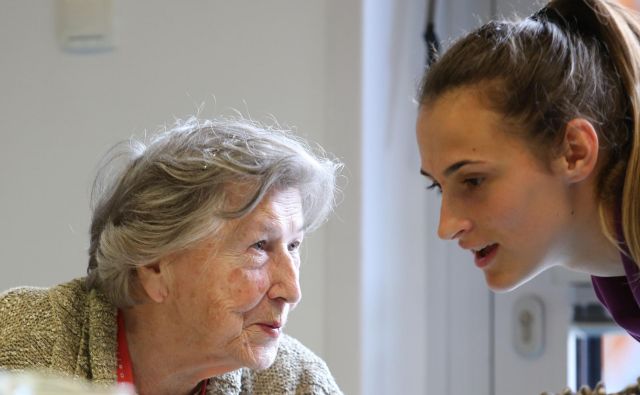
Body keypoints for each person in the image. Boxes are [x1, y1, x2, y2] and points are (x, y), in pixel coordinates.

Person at [0, 116, 343, 395]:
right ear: (154, 265)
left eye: (294, 246)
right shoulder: (18, 345)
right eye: (259, 246)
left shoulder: (297, 384)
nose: (292, 290)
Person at [415, 0, 640, 342]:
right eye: (439, 188)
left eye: (474, 180)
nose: (446, 227)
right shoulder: (616, 274)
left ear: (574, 151)